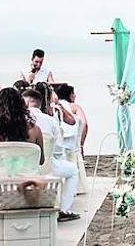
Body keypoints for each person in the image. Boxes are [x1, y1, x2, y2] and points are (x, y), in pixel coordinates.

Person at [22, 90, 80, 222]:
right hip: (47, 165)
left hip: (23, 166)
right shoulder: (50, 121)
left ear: (27, 102)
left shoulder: (18, 119)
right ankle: (64, 210)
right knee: (72, 170)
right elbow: (59, 149)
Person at [55, 84, 89, 150]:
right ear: (68, 95)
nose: (75, 96)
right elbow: (84, 124)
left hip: (58, 144)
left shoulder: (54, 107)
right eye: (73, 93)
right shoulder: (74, 107)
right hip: (72, 144)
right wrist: (81, 144)